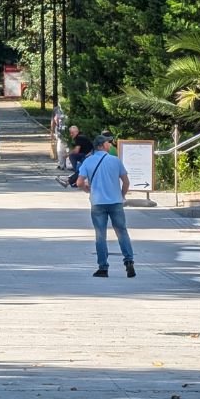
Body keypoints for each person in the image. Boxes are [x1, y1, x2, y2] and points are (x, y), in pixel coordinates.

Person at [78, 134, 135, 278]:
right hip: (115, 202)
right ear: (102, 145)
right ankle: (129, 261)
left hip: (97, 203)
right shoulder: (115, 161)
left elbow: (79, 182)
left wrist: (88, 190)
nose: (110, 145)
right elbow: (126, 181)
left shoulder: (88, 161)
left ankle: (103, 267)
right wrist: (122, 195)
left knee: (100, 235)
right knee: (121, 232)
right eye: (108, 143)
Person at [50, 101, 67, 169]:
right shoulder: (56, 109)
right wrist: (52, 131)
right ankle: (61, 163)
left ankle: (66, 163)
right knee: (60, 147)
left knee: (66, 148)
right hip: (59, 131)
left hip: (70, 131)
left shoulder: (68, 108)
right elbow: (52, 121)